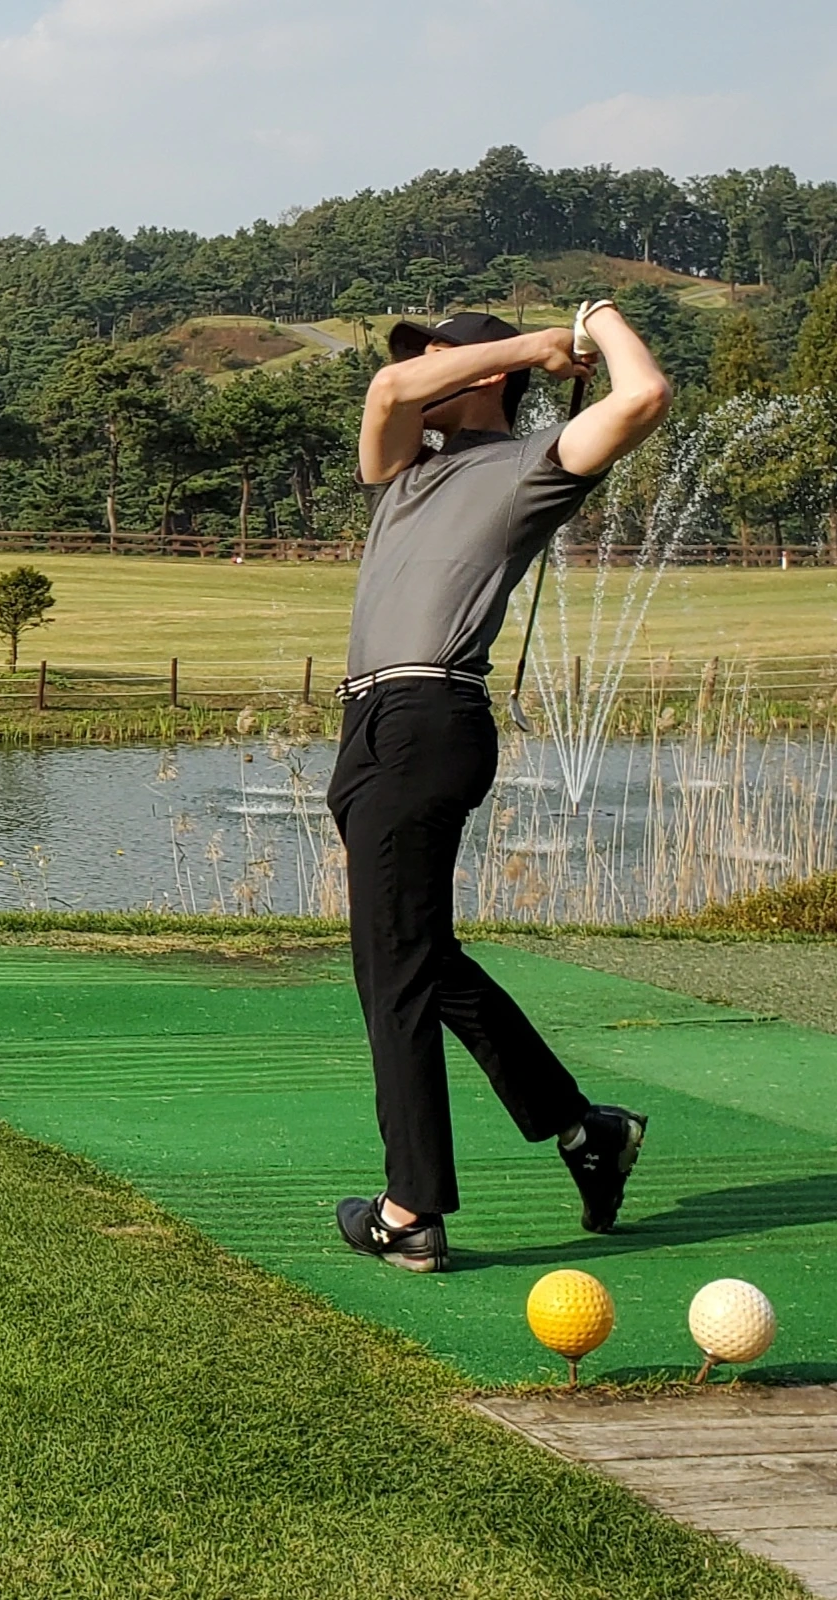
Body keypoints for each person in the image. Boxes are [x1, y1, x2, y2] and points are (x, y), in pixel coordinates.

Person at [328, 299, 671, 1272]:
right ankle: (585, 1129)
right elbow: (387, 389)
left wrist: (593, 320)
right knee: (420, 956)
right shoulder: (401, 467)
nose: (416, 369)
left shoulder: (534, 465)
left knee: (392, 970)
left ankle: (410, 1210)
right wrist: (530, 346)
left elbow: (643, 393)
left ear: (481, 376)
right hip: (367, 730)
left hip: (429, 716)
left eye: (438, 354)